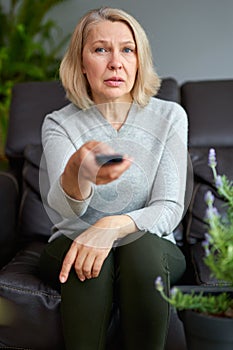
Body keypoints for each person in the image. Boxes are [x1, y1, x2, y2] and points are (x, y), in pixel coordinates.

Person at [39, 6, 188, 350]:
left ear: (139, 61)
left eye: (127, 49)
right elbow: (66, 213)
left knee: (142, 247)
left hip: (153, 246)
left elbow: (168, 208)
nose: (116, 62)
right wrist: (79, 171)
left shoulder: (169, 117)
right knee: (89, 257)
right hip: (72, 240)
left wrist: (112, 225)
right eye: (101, 49)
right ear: (81, 63)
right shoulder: (60, 123)